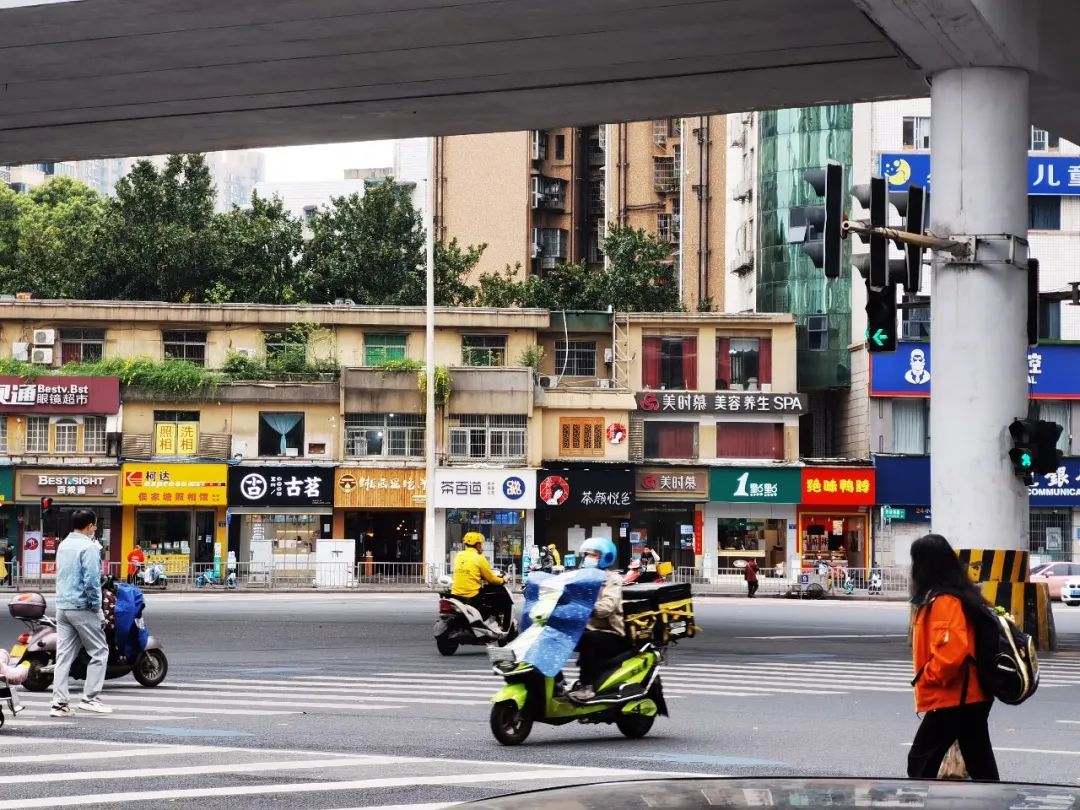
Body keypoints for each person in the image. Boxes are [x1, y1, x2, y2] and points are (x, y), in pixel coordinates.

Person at [907, 533, 998, 781]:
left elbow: (950, 655)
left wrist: (929, 678)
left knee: (920, 761)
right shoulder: (960, 594)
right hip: (971, 695)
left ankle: (921, 801)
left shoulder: (945, 601)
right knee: (979, 760)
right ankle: (996, 801)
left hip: (954, 697)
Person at [51, 509, 113, 716]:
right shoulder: (89, 547)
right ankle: (90, 698)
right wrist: (98, 610)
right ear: (89, 526)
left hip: (62, 606)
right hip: (82, 607)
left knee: (63, 656)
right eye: (95, 525)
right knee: (100, 651)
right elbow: (92, 582)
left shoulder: (64, 545)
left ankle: (59, 703)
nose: (95, 528)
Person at [569, 537, 628, 703]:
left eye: (593, 555)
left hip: (610, 632)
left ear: (605, 557)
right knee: (556, 636)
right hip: (589, 628)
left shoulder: (612, 579)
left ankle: (587, 687)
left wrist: (590, 609)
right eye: (587, 554)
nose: (588, 558)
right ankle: (558, 682)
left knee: (588, 640)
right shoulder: (583, 576)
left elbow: (608, 604)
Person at [451, 532, 511, 627]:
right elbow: (492, 579)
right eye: (481, 544)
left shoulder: (459, 555)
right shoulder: (480, 558)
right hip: (472, 596)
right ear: (478, 544)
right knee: (499, 599)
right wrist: (503, 580)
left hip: (455, 594)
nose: (482, 546)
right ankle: (499, 625)